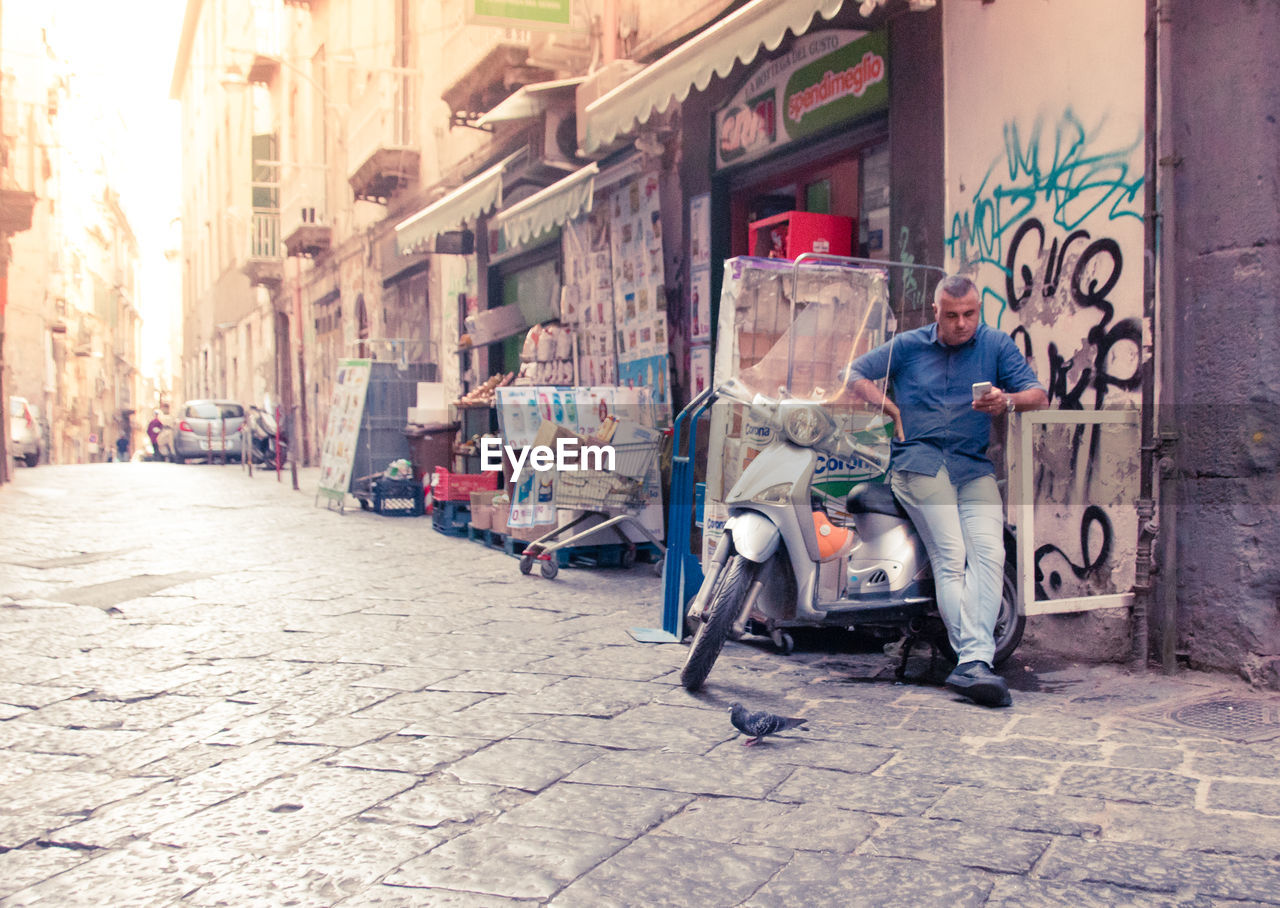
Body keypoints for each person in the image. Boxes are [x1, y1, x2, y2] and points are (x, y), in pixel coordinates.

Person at [847, 274, 1048, 707]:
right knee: (952, 554)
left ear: (979, 310)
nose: (961, 324)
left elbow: (1039, 394)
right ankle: (976, 661)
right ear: (936, 312)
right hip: (919, 464)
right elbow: (856, 374)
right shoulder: (907, 346)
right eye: (952, 315)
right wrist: (891, 407)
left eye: (970, 314)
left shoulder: (994, 345)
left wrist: (1005, 400)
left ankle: (970, 664)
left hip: (972, 466)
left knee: (991, 553)